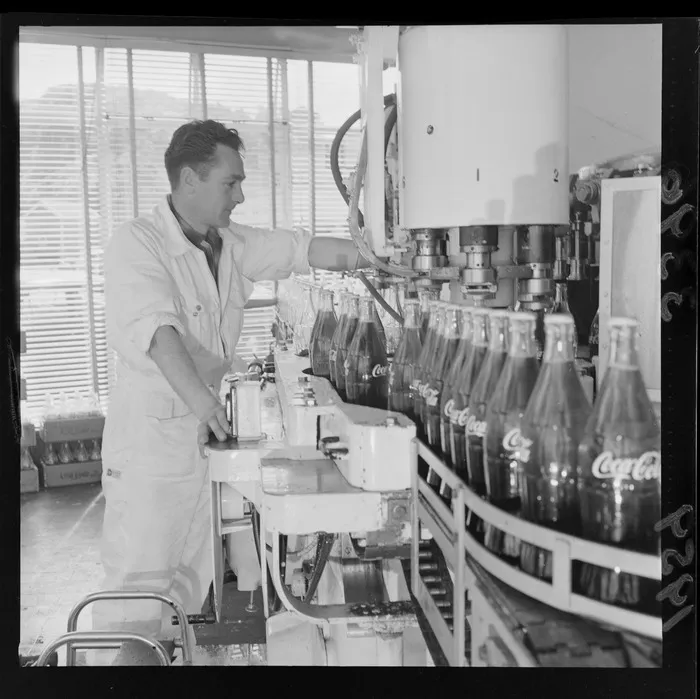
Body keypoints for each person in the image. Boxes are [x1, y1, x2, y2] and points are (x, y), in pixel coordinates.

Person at [92, 119, 370, 665]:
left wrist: (379, 257)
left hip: (199, 443)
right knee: (137, 595)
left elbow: (301, 249)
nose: (241, 195)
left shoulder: (228, 244)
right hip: (153, 445)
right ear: (190, 179)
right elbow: (157, 331)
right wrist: (206, 404)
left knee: (184, 590)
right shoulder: (137, 243)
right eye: (231, 183)